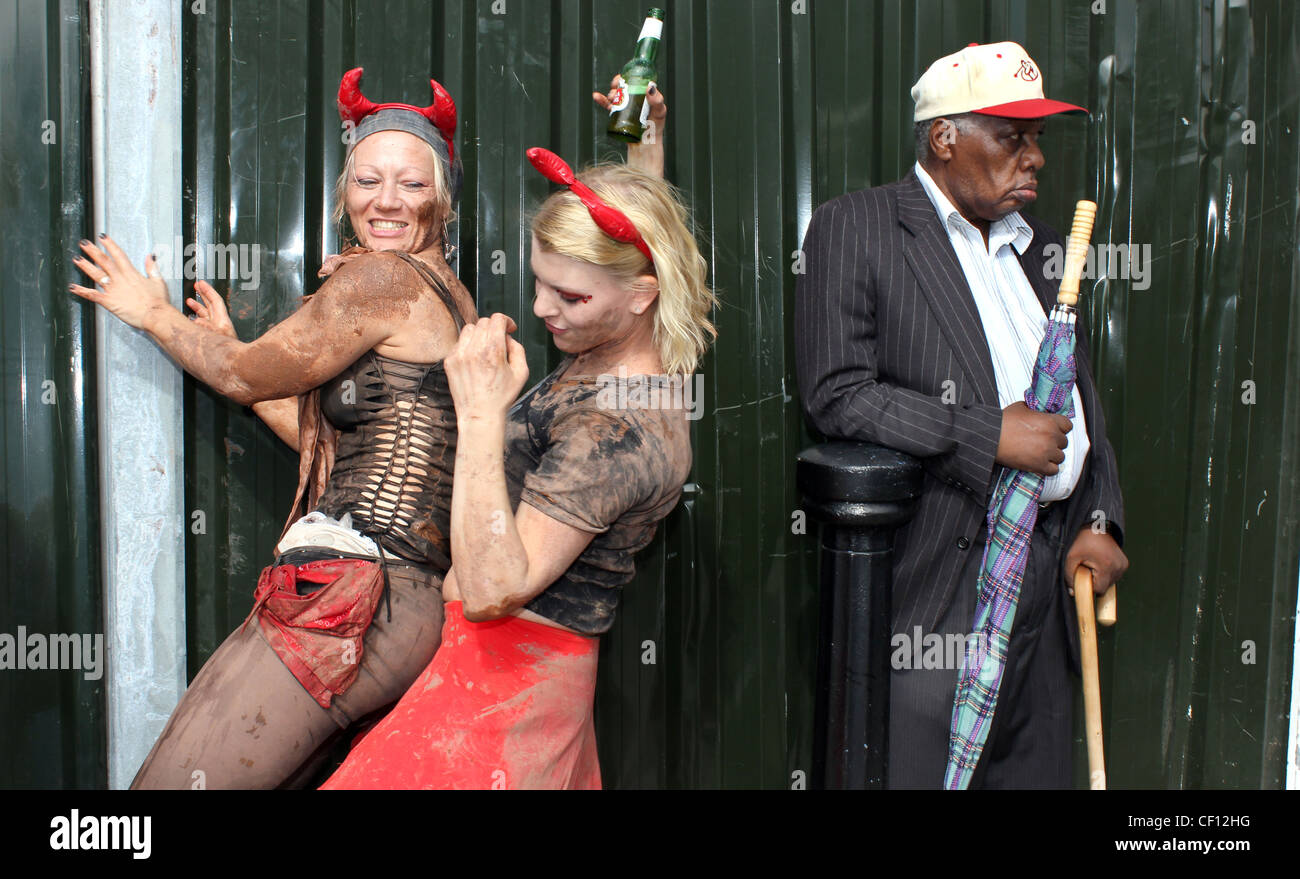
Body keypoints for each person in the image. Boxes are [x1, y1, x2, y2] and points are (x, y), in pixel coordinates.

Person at [70, 70, 479, 788]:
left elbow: (242, 372)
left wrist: (153, 314)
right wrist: (242, 363)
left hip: (359, 599)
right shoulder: (450, 293)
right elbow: (346, 449)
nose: (385, 201)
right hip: (397, 603)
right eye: (368, 180)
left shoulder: (382, 281)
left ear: (442, 198)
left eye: (411, 185)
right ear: (344, 187)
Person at [320, 85, 716, 790]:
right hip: (504, 675)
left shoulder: (618, 427)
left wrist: (479, 412)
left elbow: (493, 588)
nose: (542, 308)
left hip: (505, 689)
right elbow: (635, 245)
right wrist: (644, 146)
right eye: (541, 284)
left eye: (570, 297)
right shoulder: (627, 339)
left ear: (642, 294)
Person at [794, 41, 1129, 789]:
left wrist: (1099, 522)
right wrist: (987, 433)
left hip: (1042, 595)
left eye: (1038, 139)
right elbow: (836, 392)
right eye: (1013, 138)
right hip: (934, 601)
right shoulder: (859, 228)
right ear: (946, 137)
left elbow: (1080, 403)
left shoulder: (1042, 249)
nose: (1035, 158)